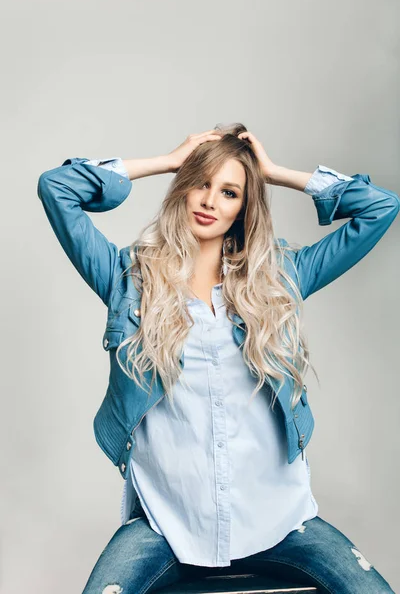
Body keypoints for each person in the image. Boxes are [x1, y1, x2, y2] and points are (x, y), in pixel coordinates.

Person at [37, 123, 398, 593]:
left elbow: (380, 207)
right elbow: (56, 188)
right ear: (183, 190)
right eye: (200, 183)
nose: (210, 201)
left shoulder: (280, 280)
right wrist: (166, 161)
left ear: (244, 207)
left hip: (280, 520)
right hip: (165, 523)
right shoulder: (128, 281)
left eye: (229, 192)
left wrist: (273, 172)